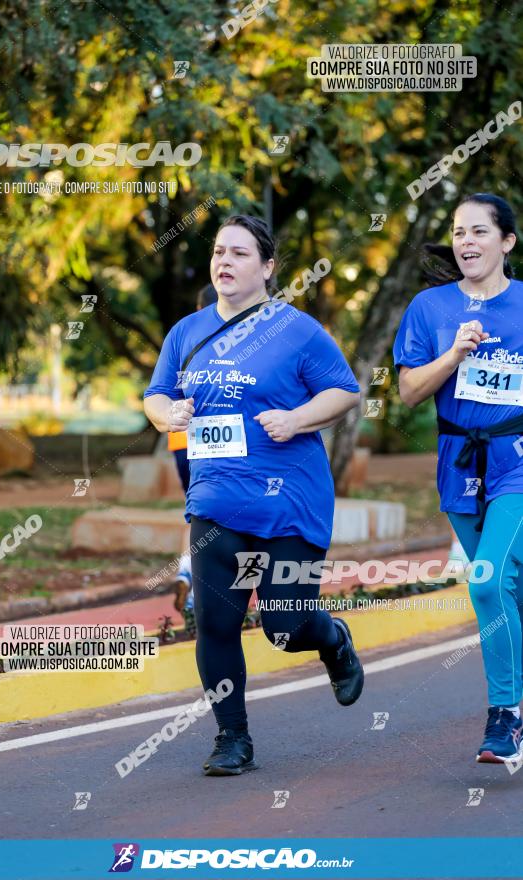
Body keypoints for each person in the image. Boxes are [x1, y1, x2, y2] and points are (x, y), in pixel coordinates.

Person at [144, 214, 364, 776]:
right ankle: (231, 738)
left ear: (267, 268)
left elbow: (344, 390)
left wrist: (295, 419)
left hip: (289, 504)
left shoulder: (296, 330)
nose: (225, 262)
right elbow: (156, 395)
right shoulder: (186, 333)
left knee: (285, 627)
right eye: (219, 252)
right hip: (216, 503)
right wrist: (167, 412)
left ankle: (332, 639)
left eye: (240, 254)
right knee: (215, 624)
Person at [393, 192, 523, 764]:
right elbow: (408, 391)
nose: (466, 242)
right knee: (505, 590)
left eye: (478, 232)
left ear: (507, 242)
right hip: (459, 462)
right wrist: (452, 355)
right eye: (459, 233)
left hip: (517, 460)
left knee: (488, 581)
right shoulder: (430, 308)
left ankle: (506, 716)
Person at [169, 284, 218, 614]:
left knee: (196, 513)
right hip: (215, 439)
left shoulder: (182, 339)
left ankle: (187, 567)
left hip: (180, 441)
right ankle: (201, 581)